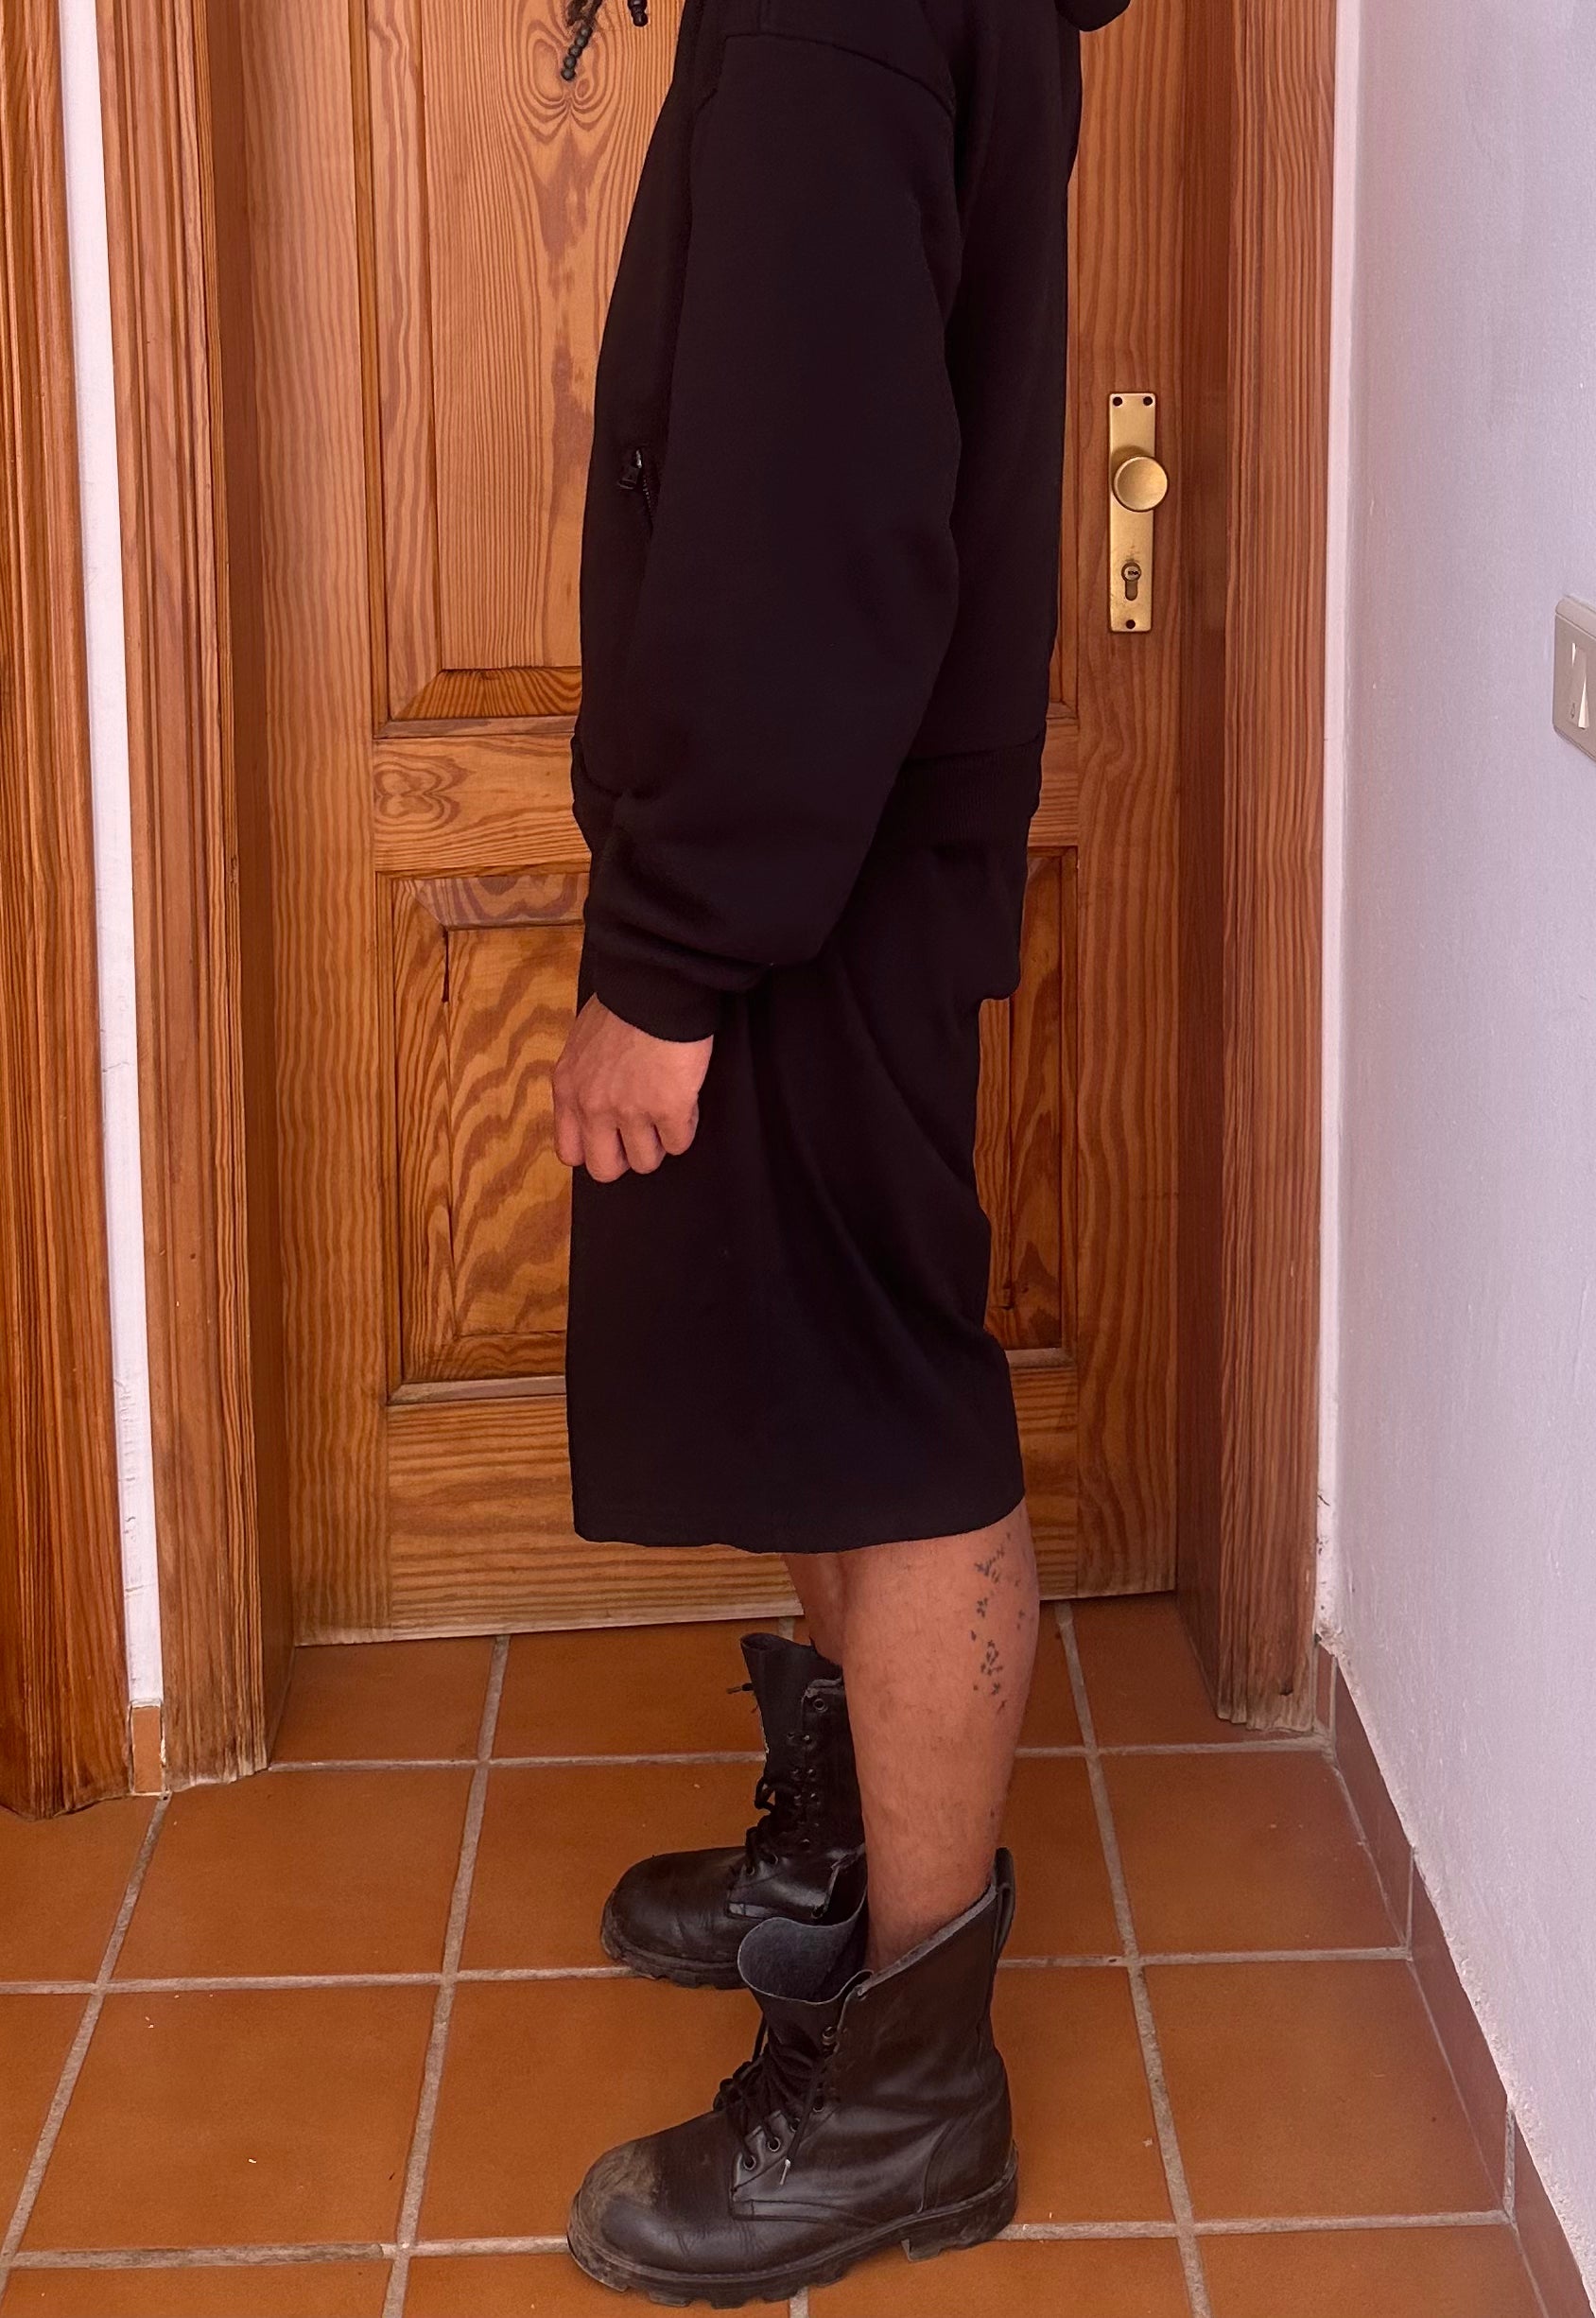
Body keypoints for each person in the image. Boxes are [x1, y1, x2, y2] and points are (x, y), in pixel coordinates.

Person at [552, 0, 1131, 2300]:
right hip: (831, 840)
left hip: (815, 866)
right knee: (822, 1388)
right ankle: (839, 1865)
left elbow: (813, 511)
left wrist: (674, 949)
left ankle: (905, 2091)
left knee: (885, 1416)